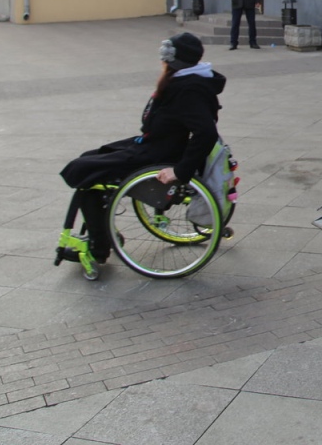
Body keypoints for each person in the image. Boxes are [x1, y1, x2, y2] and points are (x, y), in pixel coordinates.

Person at [59, 32, 226, 279]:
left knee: (84, 174)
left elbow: (206, 132)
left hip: (157, 154)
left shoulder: (188, 88)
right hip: (156, 145)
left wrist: (180, 171)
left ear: (172, 61)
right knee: (88, 160)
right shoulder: (190, 80)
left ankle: (99, 246)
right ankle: (103, 231)